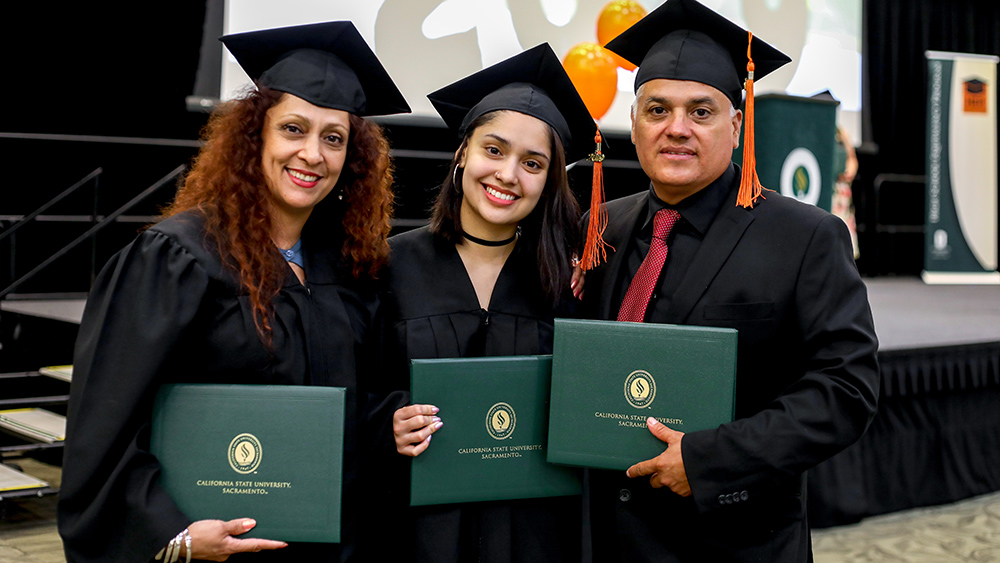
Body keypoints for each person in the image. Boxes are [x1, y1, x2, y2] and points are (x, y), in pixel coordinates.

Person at [57, 21, 409, 563]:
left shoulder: (349, 270)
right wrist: (172, 535)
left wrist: (389, 423)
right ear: (255, 137)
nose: (312, 154)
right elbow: (105, 423)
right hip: (216, 552)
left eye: (332, 138)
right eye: (293, 129)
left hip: (326, 545)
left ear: (352, 158)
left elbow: (342, 410)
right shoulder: (178, 257)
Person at [577, 0, 881, 560]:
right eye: (657, 109)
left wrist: (710, 459)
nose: (676, 129)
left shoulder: (805, 237)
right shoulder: (600, 229)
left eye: (701, 111)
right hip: (608, 538)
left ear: (736, 125)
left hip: (733, 540)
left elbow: (846, 390)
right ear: (635, 122)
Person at [378, 44, 593, 562]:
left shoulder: (571, 283)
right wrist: (387, 419)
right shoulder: (389, 266)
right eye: (493, 150)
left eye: (533, 163)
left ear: (548, 182)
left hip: (535, 537)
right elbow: (353, 386)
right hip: (417, 533)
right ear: (462, 154)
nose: (508, 174)